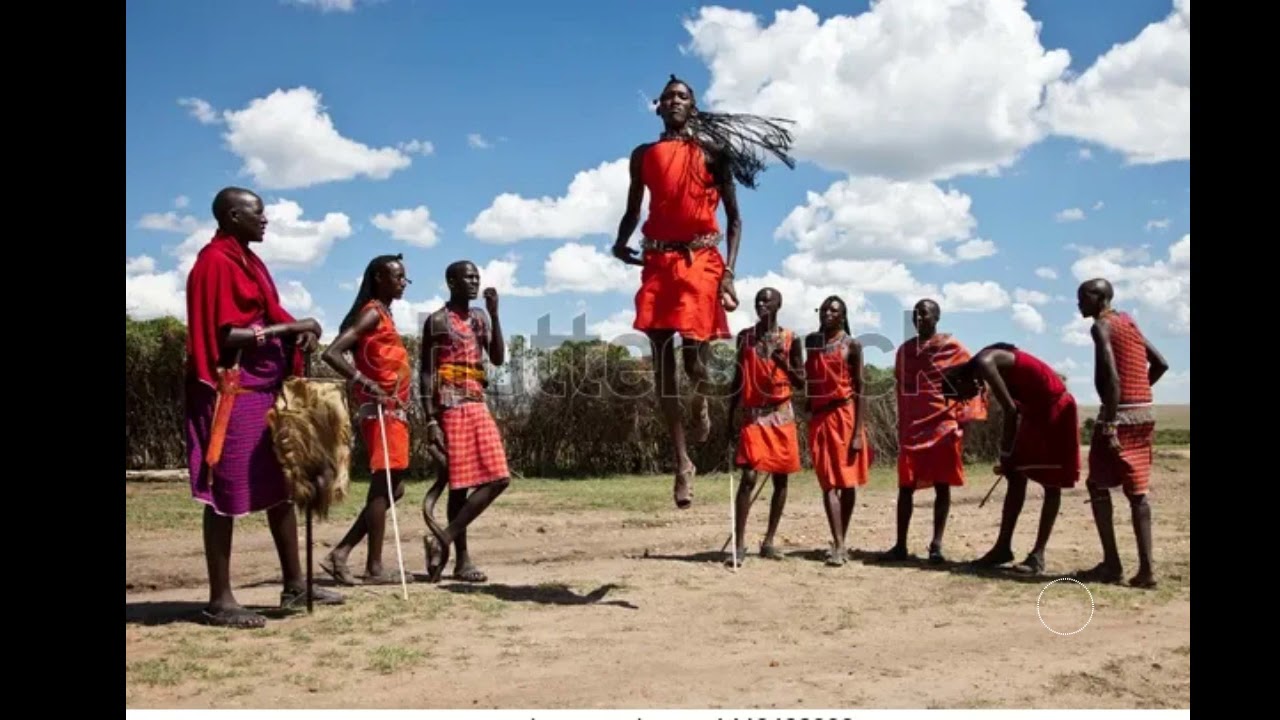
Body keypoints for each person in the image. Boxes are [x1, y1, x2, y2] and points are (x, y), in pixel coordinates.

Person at [612, 74, 795, 509]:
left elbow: (735, 220)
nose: (675, 101)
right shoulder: (643, 155)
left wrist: (729, 273)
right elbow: (633, 209)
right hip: (658, 263)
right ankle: (682, 463)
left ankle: (700, 405)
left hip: (700, 263)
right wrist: (620, 243)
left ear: (693, 106)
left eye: (683, 96)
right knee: (661, 366)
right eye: (669, 97)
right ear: (658, 106)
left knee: (694, 361)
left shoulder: (713, 153)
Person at [184, 186, 343, 628]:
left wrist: (298, 334)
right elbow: (224, 336)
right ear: (233, 216)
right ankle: (220, 599)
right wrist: (289, 326)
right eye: (258, 213)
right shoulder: (214, 263)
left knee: (283, 486)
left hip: (266, 390)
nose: (265, 220)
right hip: (233, 393)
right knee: (224, 494)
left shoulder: (249, 262)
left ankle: (295, 584)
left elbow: (265, 318)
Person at [942, 344, 1080, 575]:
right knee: (1015, 477)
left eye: (962, 396)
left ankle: (1037, 555)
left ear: (960, 381)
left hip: (1053, 409)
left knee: (1051, 484)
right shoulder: (982, 364)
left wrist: (1005, 454)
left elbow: (1010, 411)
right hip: (1034, 411)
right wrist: (1008, 457)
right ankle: (1002, 548)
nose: (968, 399)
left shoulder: (985, 363)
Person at [318, 254, 413, 585]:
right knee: (384, 484)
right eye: (397, 277)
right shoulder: (372, 312)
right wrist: (366, 382)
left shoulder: (384, 314)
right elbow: (331, 352)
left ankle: (342, 553)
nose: (402, 282)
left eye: (405, 278)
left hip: (393, 410)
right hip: (381, 410)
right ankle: (373, 566)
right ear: (378, 278)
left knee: (394, 488)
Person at [419, 261, 511, 583]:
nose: (473, 282)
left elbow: (498, 358)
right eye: (467, 277)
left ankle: (440, 539)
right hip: (450, 406)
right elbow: (426, 373)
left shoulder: (480, 319)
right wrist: (430, 420)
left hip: (476, 402)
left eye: (476, 277)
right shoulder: (438, 321)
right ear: (451, 281)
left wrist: (496, 314)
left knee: (499, 478)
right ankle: (462, 561)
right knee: (458, 486)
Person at [1075, 279, 1168, 588]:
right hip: (1144, 414)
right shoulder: (1127, 321)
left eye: (1083, 296)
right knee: (1137, 490)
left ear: (1100, 298)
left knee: (1096, 484)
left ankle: (1112, 565)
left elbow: (1111, 377)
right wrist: (1139, 393)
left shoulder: (1101, 327)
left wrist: (1113, 418)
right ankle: (1146, 571)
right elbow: (1161, 363)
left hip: (1118, 417)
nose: (1079, 302)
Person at [879, 299, 986, 564]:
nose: (918, 318)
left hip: (943, 426)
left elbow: (975, 384)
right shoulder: (905, 351)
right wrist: (902, 423)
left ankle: (936, 545)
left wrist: (963, 421)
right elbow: (901, 388)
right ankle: (900, 545)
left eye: (924, 314)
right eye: (915, 314)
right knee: (905, 486)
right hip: (913, 427)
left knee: (942, 485)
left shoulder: (954, 349)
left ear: (937, 317)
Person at [725, 288, 804, 565]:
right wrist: (730, 414)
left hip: (781, 414)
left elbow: (801, 381)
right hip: (754, 415)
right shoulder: (746, 337)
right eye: (758, 300)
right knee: (748, 477)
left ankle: (769, 540)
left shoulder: (791, 339)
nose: (761, 304)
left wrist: (782, 362)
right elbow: (738, 377)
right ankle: (740, 544)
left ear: (778, 305)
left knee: (780, 478)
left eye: (767, 300)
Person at [804, 296, 872, 567]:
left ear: (843, 315)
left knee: (848, 481)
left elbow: (861, 389)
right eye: (824, 309)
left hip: (845, 415)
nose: (828, 314)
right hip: (820, 418)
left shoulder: (851, 345)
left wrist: (858, 432)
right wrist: (807, 406)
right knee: (828, 482)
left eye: (834, 310)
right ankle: (839, 543)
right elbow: (810, 378)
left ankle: (840, 541)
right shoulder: (812, 342)